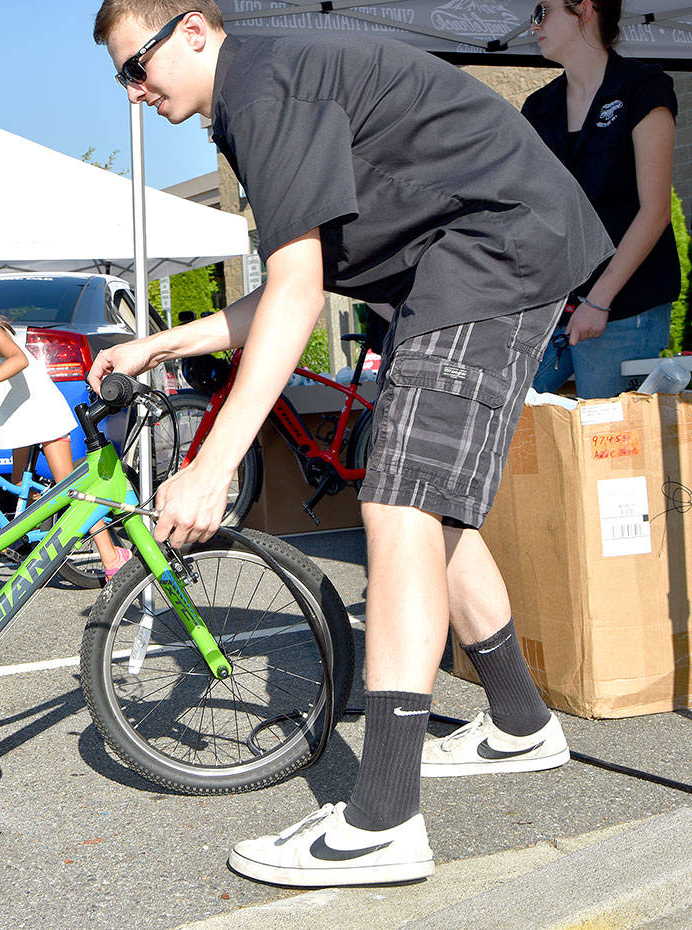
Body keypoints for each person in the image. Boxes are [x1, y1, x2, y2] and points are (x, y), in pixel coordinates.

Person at [91, 2, 613, 887]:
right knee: (423, 500)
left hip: (492, 250)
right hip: (479, 254)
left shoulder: (260, 90)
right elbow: (297, 285)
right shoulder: (262, 94)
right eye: (121, 80)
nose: (133, 92)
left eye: (136, 68)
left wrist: (212, 466)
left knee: (399, 501)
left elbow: (297, 298)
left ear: (191, 30)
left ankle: (382, 819)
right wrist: (160, 344)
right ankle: (521, 724)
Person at [0, 261, 131, 577]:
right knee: (19, 486)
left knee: (70, 489)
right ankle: (23, 536)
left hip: (41, 414)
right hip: (19, 418)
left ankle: (110, 555)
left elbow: (18, 360)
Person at [524, 0, 679, 399]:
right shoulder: (539, 108)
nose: (533, 25)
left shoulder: (642, 87)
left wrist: (599, 300)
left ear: (584, 10)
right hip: (555, 309)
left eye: (543, 11)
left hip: (625, 305)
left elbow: (656, 210)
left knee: (610, 448)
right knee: (513, 429)